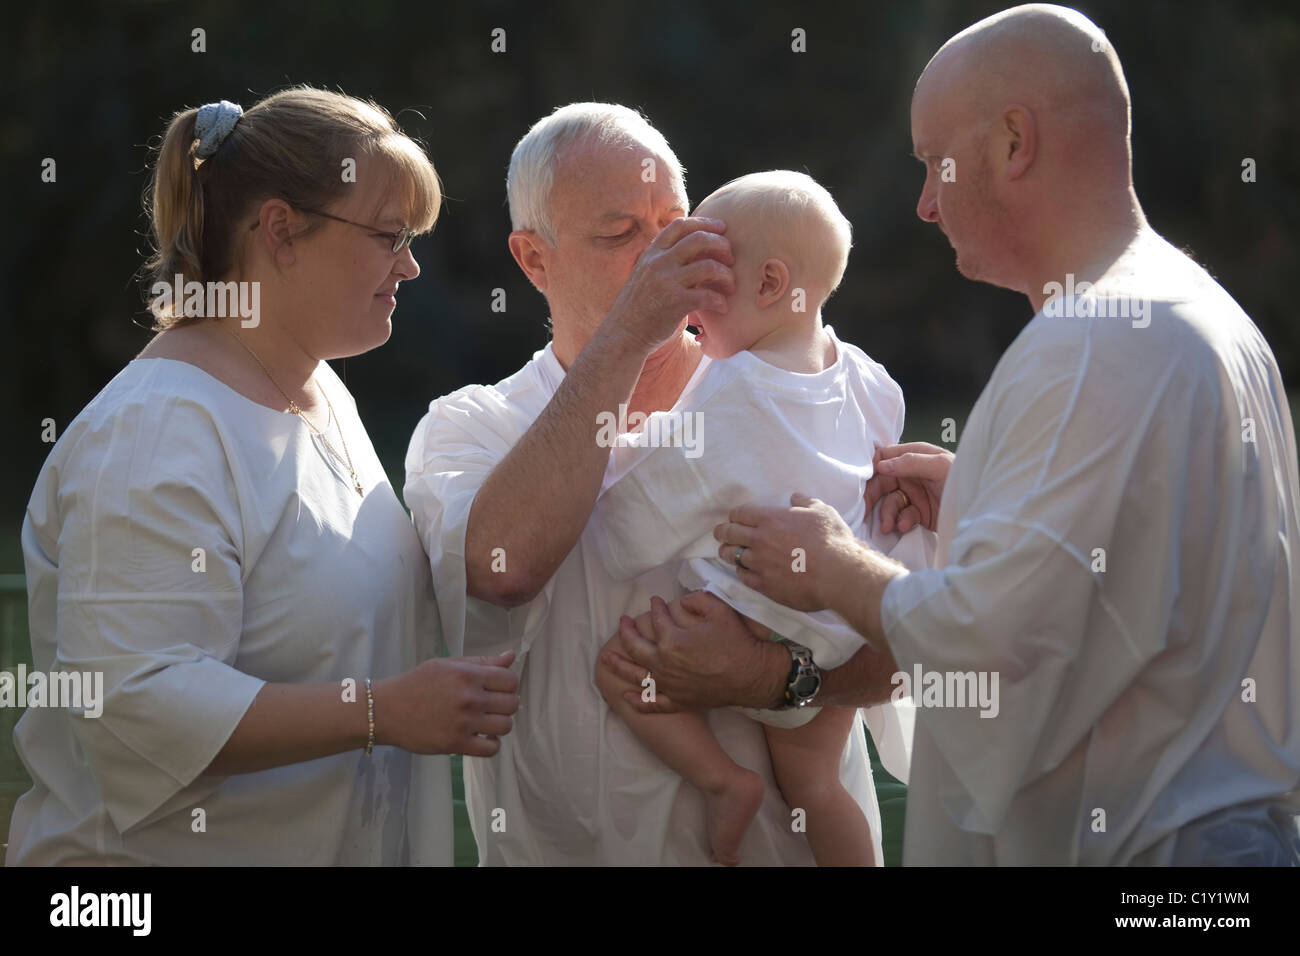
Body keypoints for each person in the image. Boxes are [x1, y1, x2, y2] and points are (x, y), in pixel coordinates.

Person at [602, 3, 1300, 865]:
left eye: (938, 163)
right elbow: (1140, 582)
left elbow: (989, 640)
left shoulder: (1092, 344)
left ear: (1013, 142)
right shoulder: (1199, 317)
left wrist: (830, 566)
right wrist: (973, 498)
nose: (926, 205)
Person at [7, 87, 518, 866]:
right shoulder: (155, 432)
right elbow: (137, 704)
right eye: (389, 236)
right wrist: (381, 712)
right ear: (281, 231)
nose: (410, 266)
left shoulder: (318, 390)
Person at [405, 104, 890, 865]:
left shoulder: (806, 390)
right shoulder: (471, 426)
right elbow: (504, 569)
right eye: (620, 234)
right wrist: (629, 332)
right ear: (535, 260)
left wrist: (777, 678)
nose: (664, 253)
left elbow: (918, 640)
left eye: (675, 223)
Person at [590, 170, 932, 865]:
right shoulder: (868, 374)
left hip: (760, 617)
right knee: (815, 787)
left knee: (617, 672)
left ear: (770, 285)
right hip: (847, 624)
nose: (686, 308)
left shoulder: (730, 390)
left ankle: (723, 783)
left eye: (705, 283)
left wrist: (620, 443)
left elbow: (625, 523)